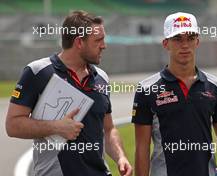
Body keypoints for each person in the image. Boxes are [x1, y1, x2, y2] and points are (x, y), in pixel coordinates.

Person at [6, 10, 132, 176]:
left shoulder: (102, 78)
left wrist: (120, 157)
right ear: (79, 42)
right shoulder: (38, 72)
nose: (104, 45)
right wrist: (56, 127)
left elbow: (108, 129)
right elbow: (12, 126)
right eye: (98, 40)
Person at [132, 12, 217, 176]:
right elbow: (142, 147)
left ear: (197, 42)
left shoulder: (215, 86)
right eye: (178, 39)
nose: (185, 45)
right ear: (166, 43)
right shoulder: (146, 89)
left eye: (190, 38)